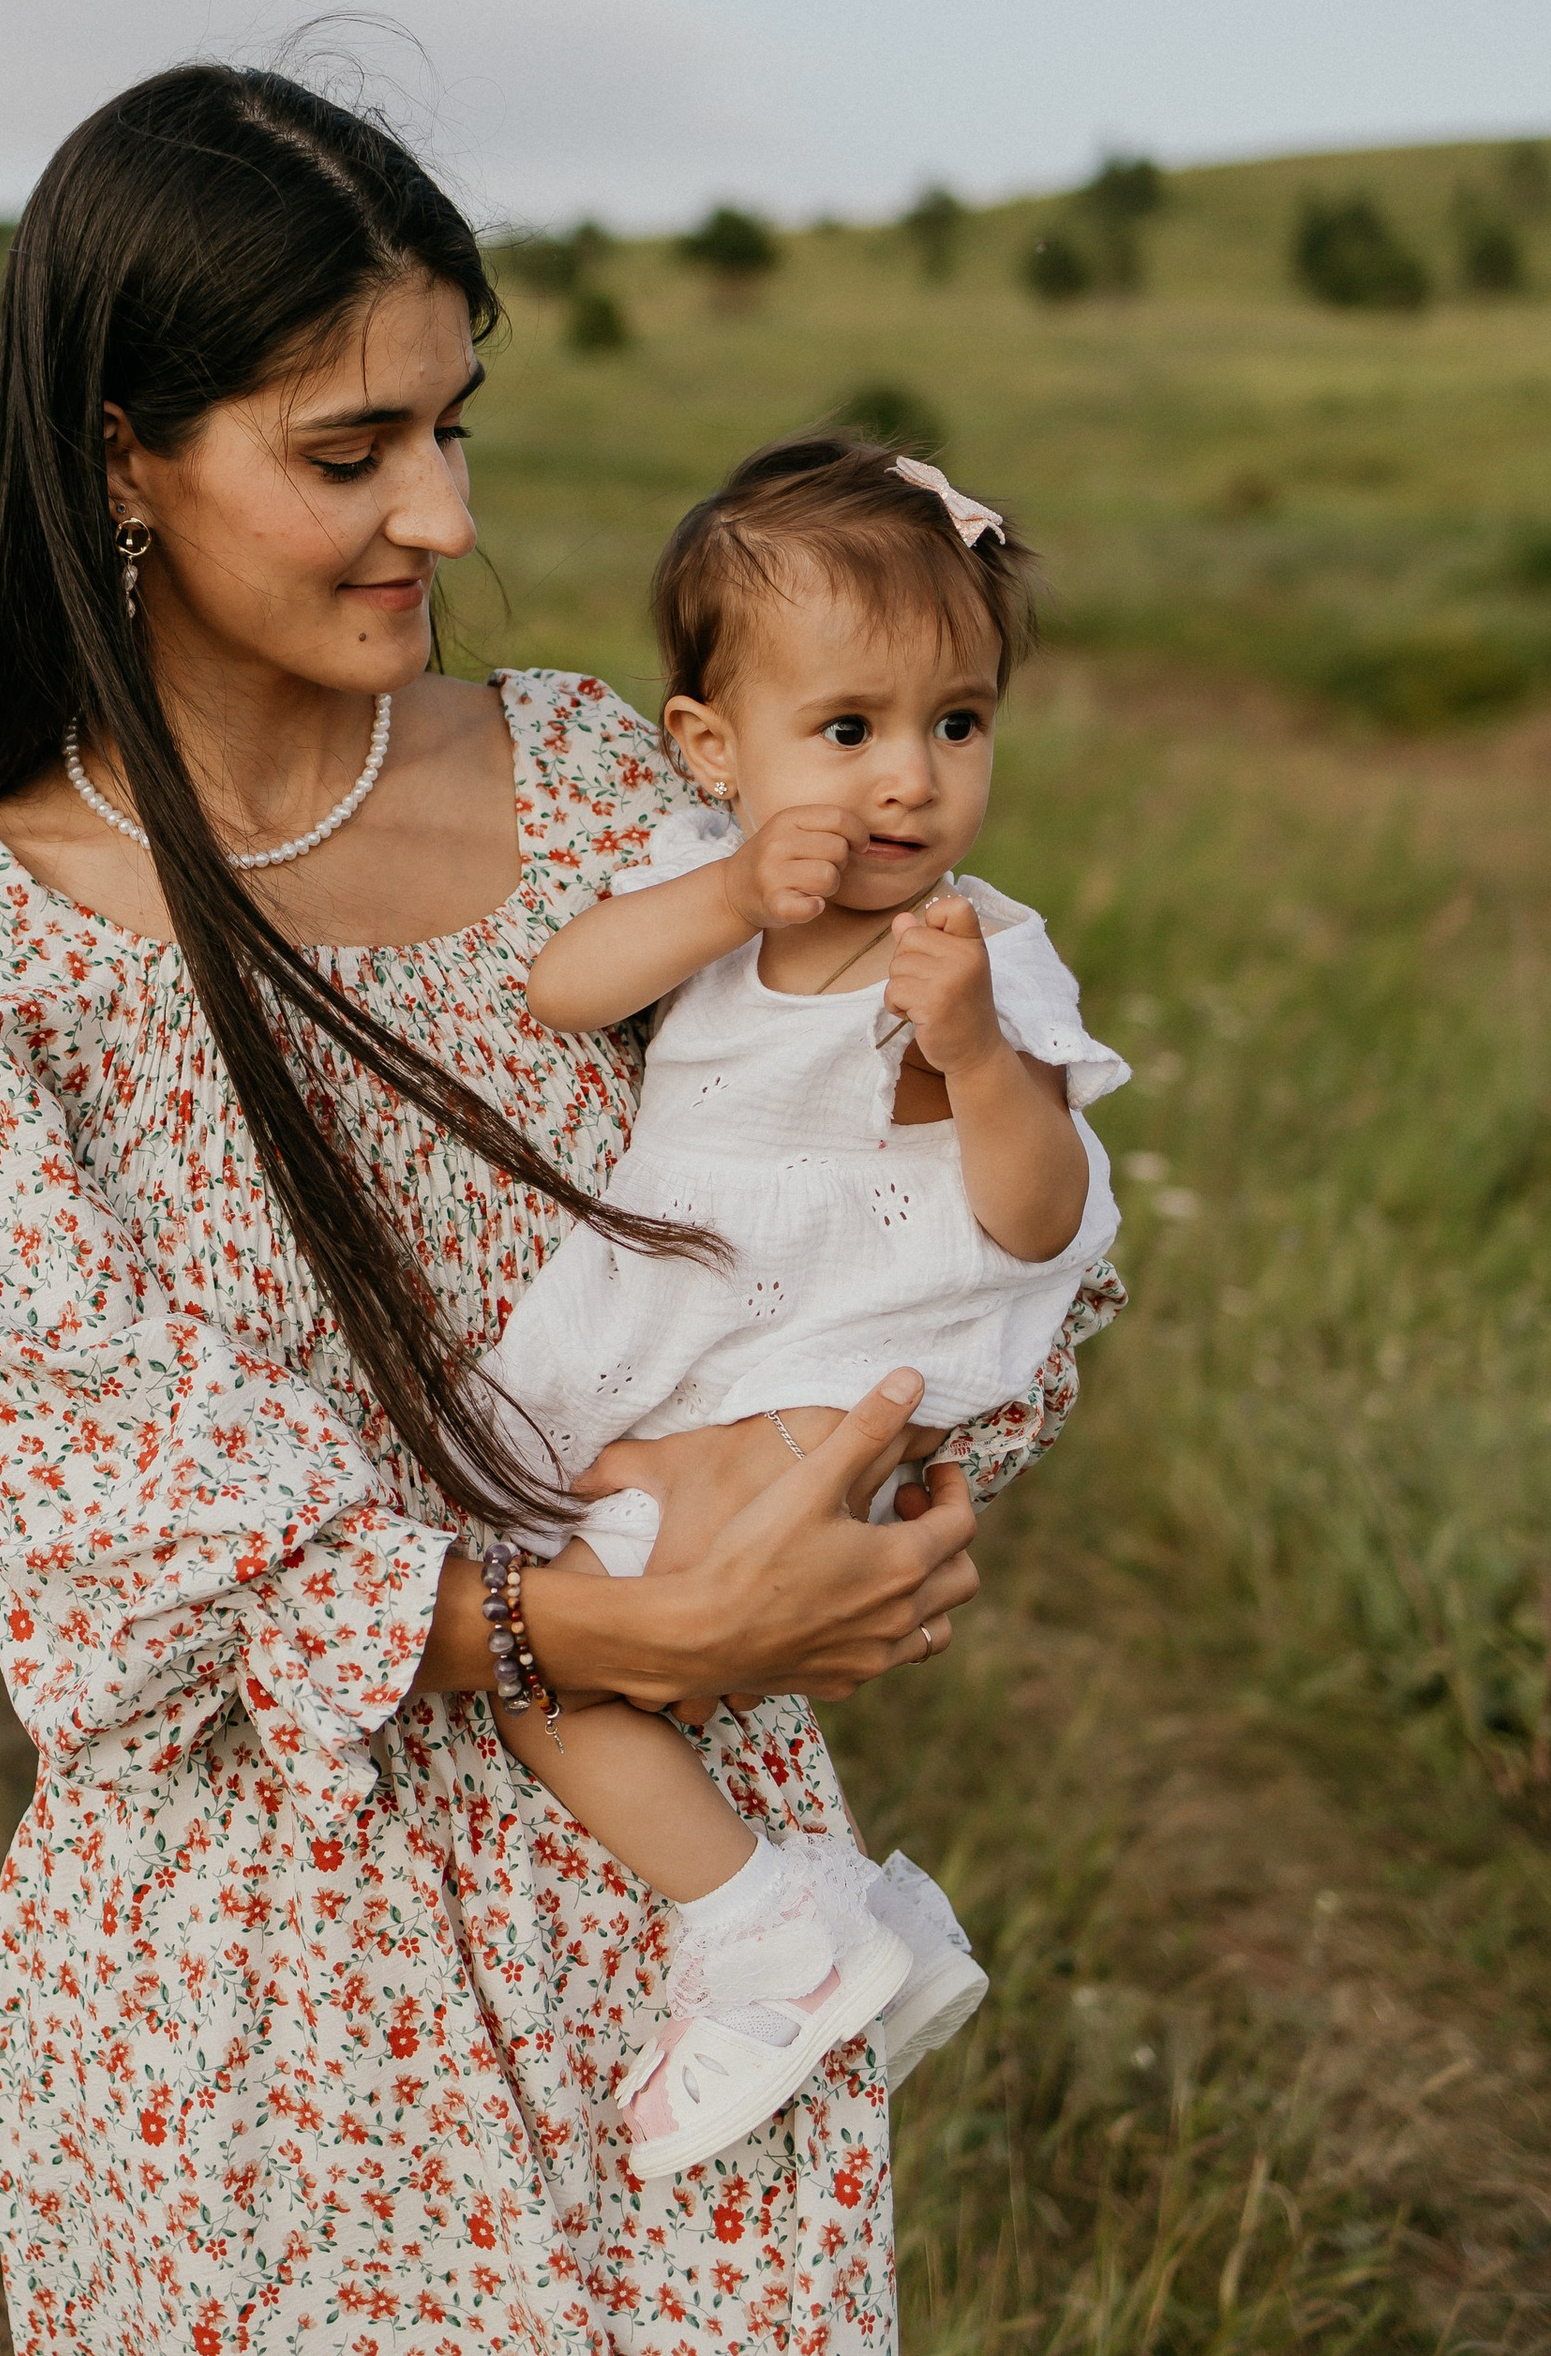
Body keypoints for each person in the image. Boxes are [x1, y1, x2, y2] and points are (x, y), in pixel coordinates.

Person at [0, 64, 1006, 2356]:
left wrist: (889, 1466)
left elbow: (888, 1211)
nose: (442, 514)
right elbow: (133, 1541)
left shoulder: (621, 783)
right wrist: (633, 1621)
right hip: (263, 1956)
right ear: (120, 456)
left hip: (685, 1912)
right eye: (347, 446)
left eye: (453, 428)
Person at [474, 435, 1129, 2180]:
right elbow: (559, 990)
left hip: (833, 1364)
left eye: (958, 724)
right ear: (716, 750)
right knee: (537, 1599)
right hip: (693, 1330)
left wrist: (978, 1054)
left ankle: (770, 1938)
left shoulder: (988, 947)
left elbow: (1037, 1215)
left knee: (559, 1648)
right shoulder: (717, 886)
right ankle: (792, 1927)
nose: (909, 782)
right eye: (847, 733)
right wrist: (717, 890)